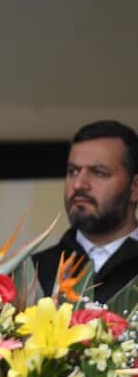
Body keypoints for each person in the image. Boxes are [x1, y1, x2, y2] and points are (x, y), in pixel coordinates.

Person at [33, 120, 138, 304]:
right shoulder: (32, 274)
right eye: (73, 171)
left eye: (99, 172)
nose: (79, 184)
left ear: (134, 188)